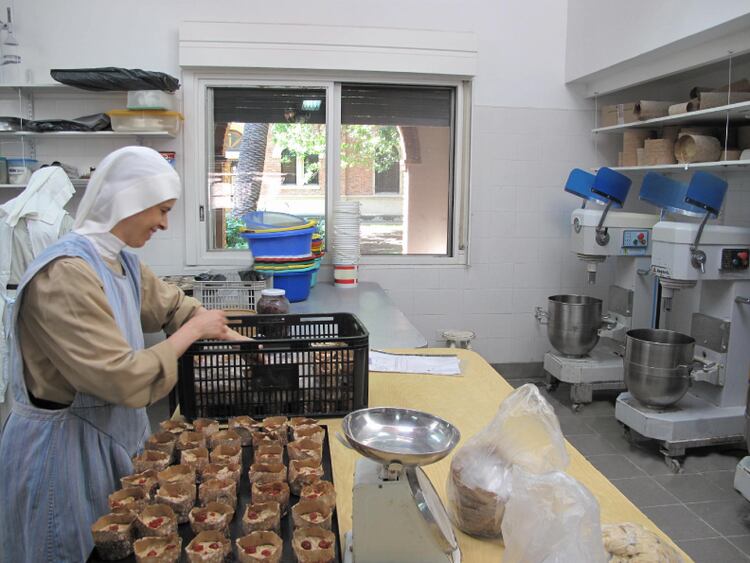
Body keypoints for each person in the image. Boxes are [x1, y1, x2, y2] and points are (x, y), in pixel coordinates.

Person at [0, 146, 237, 562]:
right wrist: (196, 331)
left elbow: (170, 305)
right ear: (129, 202)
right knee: (69, 549)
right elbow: (123, 378)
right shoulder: (65, 274)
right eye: (161, 210)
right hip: (61, 455)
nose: (165, 223)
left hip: (108, 440)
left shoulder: (121, 262)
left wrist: (223, 332)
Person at [0, 166, 76, 418]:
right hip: (42, 303)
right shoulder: (61, 221)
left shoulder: (6, 215)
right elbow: (74, 266)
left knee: (10, 367)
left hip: (6, 302)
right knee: (40, 369)